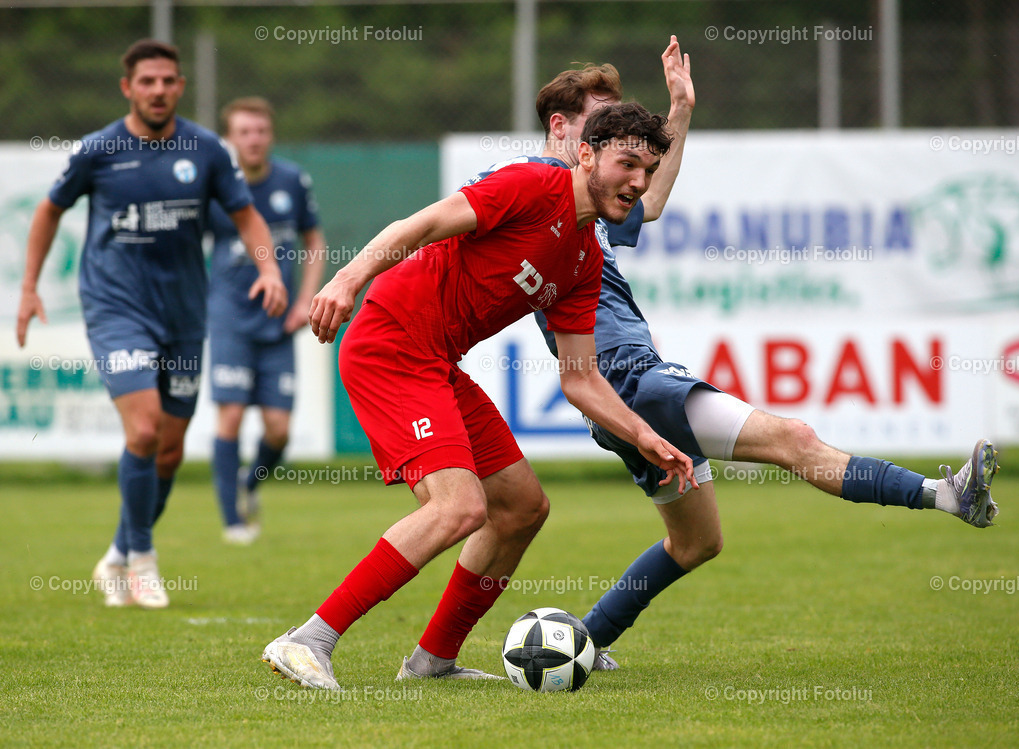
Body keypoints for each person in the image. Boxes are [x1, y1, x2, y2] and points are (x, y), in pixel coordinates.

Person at [508, 38, 1000, 670]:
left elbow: (649, 201)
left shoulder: (588, 202)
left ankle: (583, 642)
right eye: (599, 125)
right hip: (634, 384)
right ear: (563, 131)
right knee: (792, 439)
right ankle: (948, 495)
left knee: (696, 542)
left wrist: (679, 108)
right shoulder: (543, 185)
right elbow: (477, 214)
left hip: (619, 394)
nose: (615, 148)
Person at [261, 102, 697, 690]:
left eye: (648, 171)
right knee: (458, 507)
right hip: (390, 342)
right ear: (587, 154)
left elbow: (581, 378)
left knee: (522, 508)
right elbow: (417, 227)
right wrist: (345, 279)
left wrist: (646, 437)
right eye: (628, 164)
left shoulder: (584, 255)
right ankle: (307, 640)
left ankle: (432, 661)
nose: (638, 183)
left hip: (436, 363)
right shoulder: (532, 184)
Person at [15, 40, 288, 609]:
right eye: (147, 82)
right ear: (128, 88)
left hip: (184, 315)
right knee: (141, 431)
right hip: (116, 310)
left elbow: (246, 216)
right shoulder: (98, 150)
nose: (158, 90)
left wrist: (270, 272)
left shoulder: (206, 150)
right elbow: (48, 210)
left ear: (180, 86)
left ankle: (117, 553)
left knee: (167, 450)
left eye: (167, 80)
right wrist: (28, 287)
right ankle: (143, 560)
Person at [207, 97, 326, 545]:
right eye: (243, 132)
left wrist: (305, 299)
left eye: (260, 131)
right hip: (230, 319)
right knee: (230, 417)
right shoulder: (214, 185)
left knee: (278, 429)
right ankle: (232, 522)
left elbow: (314, 239)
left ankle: (249, 483)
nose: (253, 139)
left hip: (278, 322)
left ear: (269, 135)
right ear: (231, 138)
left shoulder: (292, 180)